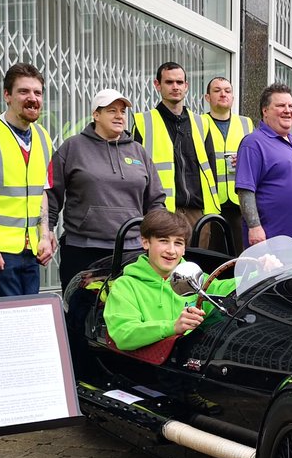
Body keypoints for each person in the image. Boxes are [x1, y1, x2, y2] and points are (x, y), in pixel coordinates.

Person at [45, 88, 166, 290]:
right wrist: (47, 229)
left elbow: (155, 200)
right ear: (96, 115)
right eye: (111, 110)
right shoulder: (73, 147)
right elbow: (51, 193)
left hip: (132, 249)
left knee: (129, 305)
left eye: (122, 111)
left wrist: (156, 237)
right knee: (82, 307)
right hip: (83, 248)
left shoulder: (138, 151)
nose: (119, 116)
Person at [0, 62, 55, 297]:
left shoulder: (43, 137)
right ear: (7, 95)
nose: (32, 98)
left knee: (29, 317)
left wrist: (44, 236)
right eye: (23, 91)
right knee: (5, 319)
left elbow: (41, 192)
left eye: (37, 93)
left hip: (31, 251)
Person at [103, 210, 237, 351]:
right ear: (146, 242)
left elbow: (227, 287)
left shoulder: (194, 278)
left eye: (178, 243)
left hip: (191, 356)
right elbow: (124, 335)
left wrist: (254, 271)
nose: (171, 250)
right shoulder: (125, 286)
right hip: (150, 362)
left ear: (184, 249)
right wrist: (173, 327)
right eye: (163, 241)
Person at [134, 62, 220, 245]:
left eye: (179, 82)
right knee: (165, 263)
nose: (175, 87)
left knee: (198, 263)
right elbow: (136, 172)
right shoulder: (143, 122)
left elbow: (210, 168)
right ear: (157, 85)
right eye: (169, 82)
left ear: (186, 86)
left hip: (198, 213)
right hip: (161, 211)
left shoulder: (201, 123)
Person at [235, 83, 292, 252]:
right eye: (281, 105)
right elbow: (245, 189)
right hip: (273, 241)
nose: (288, 110)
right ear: (265, 110)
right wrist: (254, 227)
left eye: (291, 106)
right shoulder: (253, 143)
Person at [202, 76, 254, 253]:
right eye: (217, 90)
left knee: (240, 255)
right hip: (211, 202)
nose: (223, 94)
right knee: (212, 255)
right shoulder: (199, 123)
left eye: (227, 91)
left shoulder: (246, 123)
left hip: (239, 201)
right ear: (207, 97)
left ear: (233, 97)